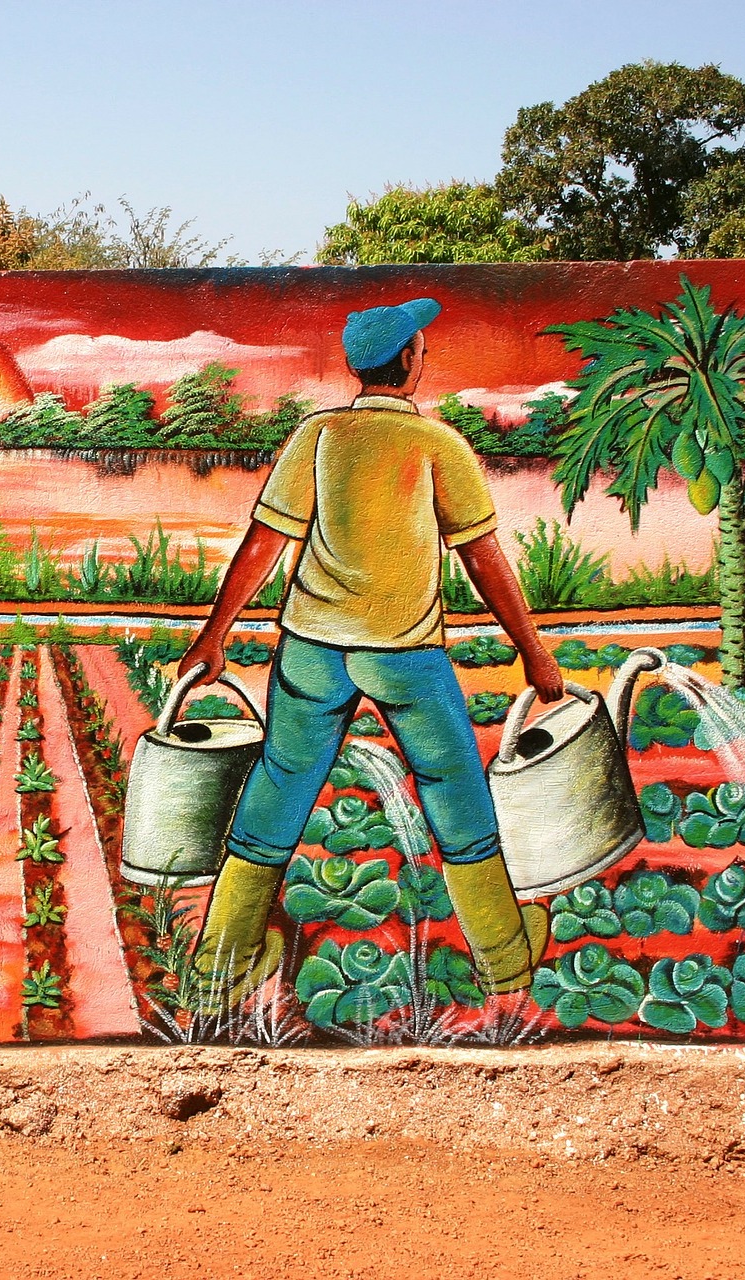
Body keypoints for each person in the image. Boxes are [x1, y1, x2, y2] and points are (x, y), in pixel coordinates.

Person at [177, 297, 565, 1012]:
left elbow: (266, 542)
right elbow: (483, 558)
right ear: (412, 362)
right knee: (454, 786)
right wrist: (533, 653)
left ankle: (220, 961)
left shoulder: (317, 436)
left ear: (358, 367)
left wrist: (214, 634)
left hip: (312, 646)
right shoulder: (440, 445)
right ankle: (505, 958)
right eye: (422, 348)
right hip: (405, 654)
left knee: (280, 781)